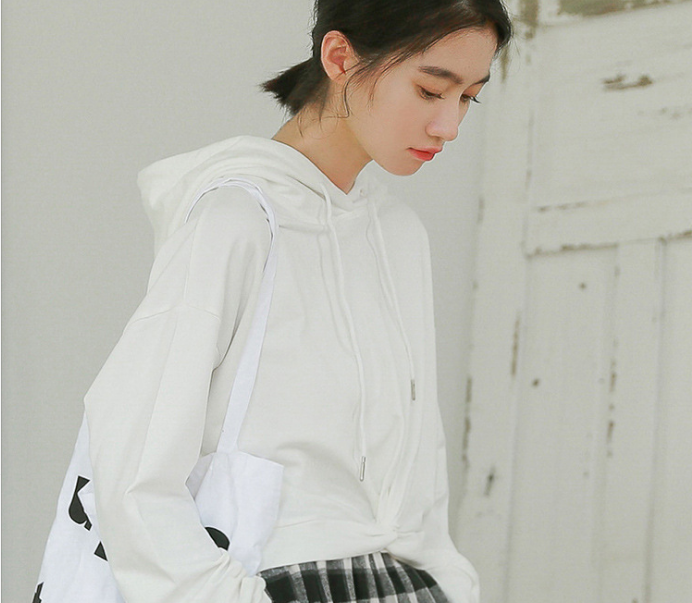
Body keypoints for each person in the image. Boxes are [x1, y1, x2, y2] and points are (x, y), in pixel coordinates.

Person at [83, 1, 513, 602]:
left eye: (468, 97)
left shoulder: (399, 236)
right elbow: (130, 459)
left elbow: (417, 455)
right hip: (273, 579)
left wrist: (451, 582)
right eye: (429, 90)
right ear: (340, 58)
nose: (449, 126)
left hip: (400, 583)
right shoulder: (236, 220)